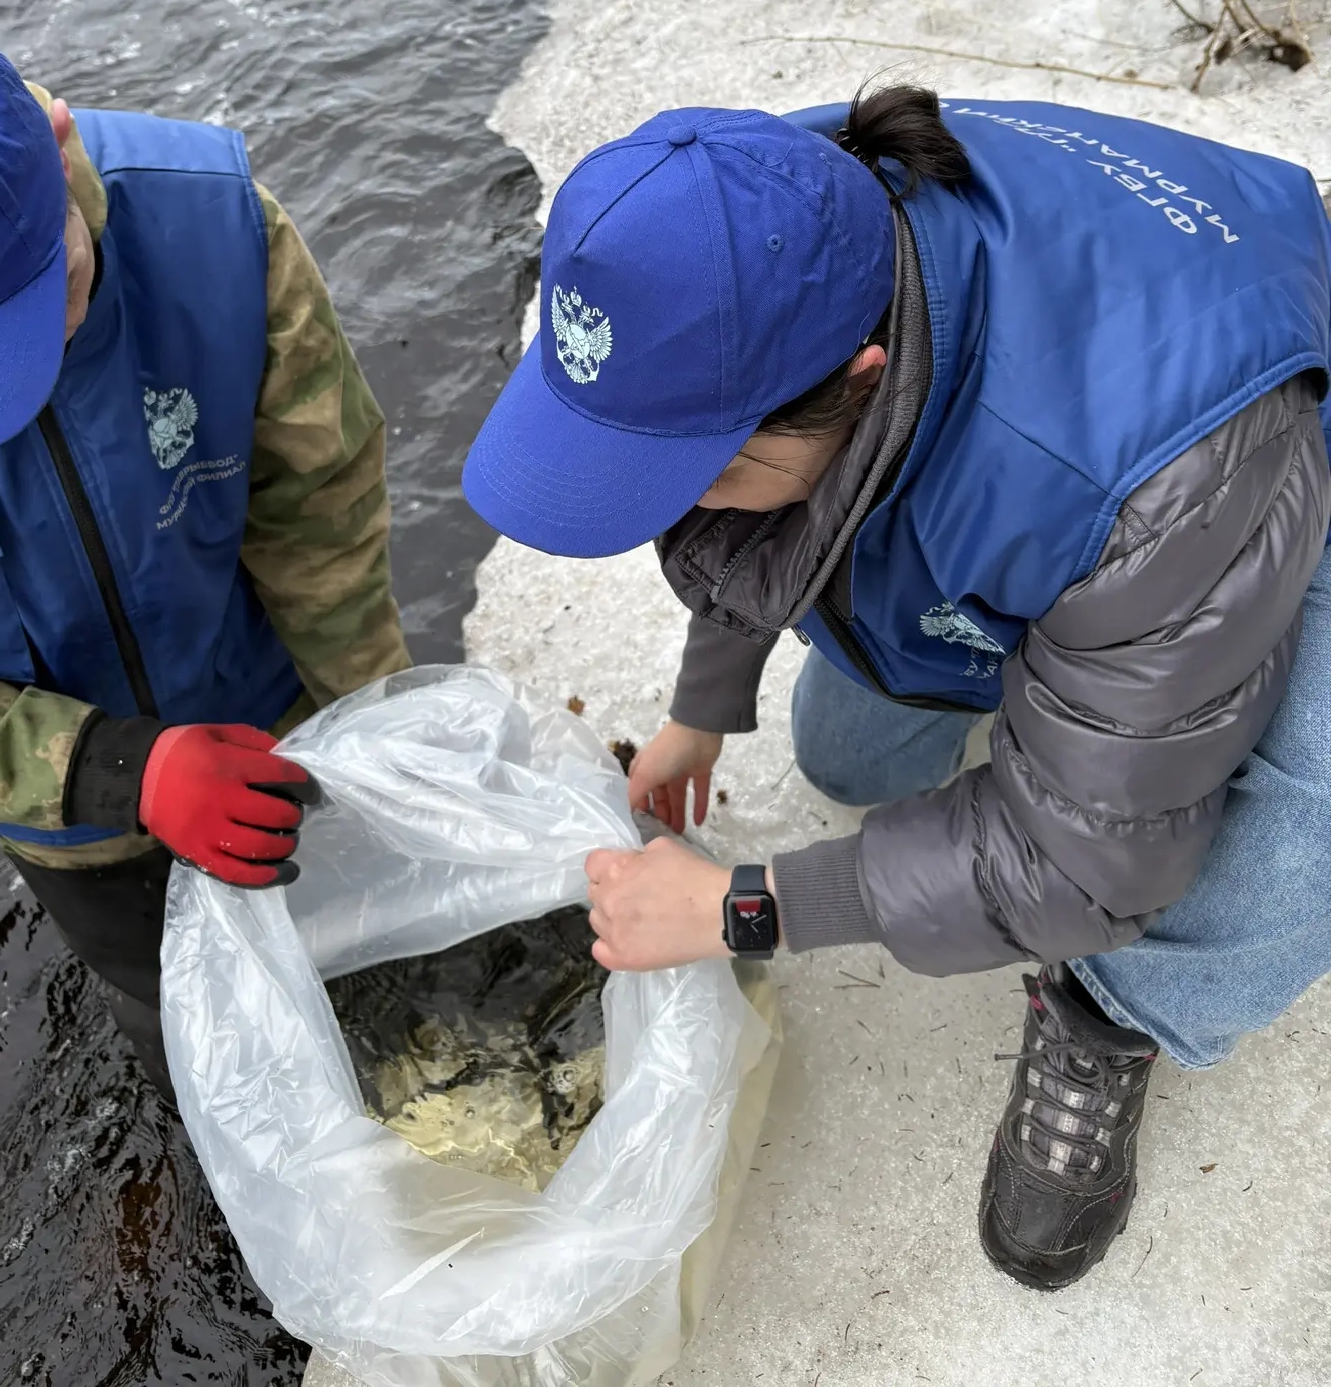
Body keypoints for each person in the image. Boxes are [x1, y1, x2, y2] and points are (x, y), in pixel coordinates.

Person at [462, 86, 1331, 1292]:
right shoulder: (765, 208)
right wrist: (705, 698)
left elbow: (1084, 863)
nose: (661, 508)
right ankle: (1077, 673)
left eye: (690, 471)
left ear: (861, 383)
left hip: (1247, 447)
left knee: (1298, 798)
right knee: (854, 758)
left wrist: (745, 909)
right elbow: (742, 521)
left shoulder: (1152, 483)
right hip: (1064, 449)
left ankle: (1116, 1016)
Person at [0, 9, 410, 1099]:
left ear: (61, 140)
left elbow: (317, 502)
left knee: (366, 955)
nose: (12, 393)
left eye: (47, 304)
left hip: (267, 710)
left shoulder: (220, 233)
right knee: (177, 1017)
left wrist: (374, 719)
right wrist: (114, 769)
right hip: (67, 814)